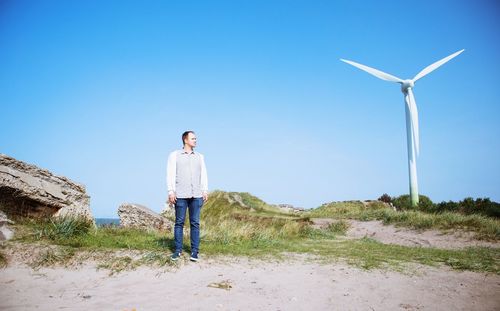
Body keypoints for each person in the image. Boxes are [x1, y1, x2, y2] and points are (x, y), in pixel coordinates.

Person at [166, 131, 208, 262]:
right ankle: (177, 251)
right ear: (185, 140)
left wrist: (205, 190)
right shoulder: (174, 155)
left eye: (196, 138)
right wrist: (171, 191)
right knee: (179, 223)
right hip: (180, 194)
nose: (195, 140)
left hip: (196, 194)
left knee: (195, 223)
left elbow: (204, 174)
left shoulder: (200, 156)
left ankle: (194, 252)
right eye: (193, 138)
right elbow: (170, 174)